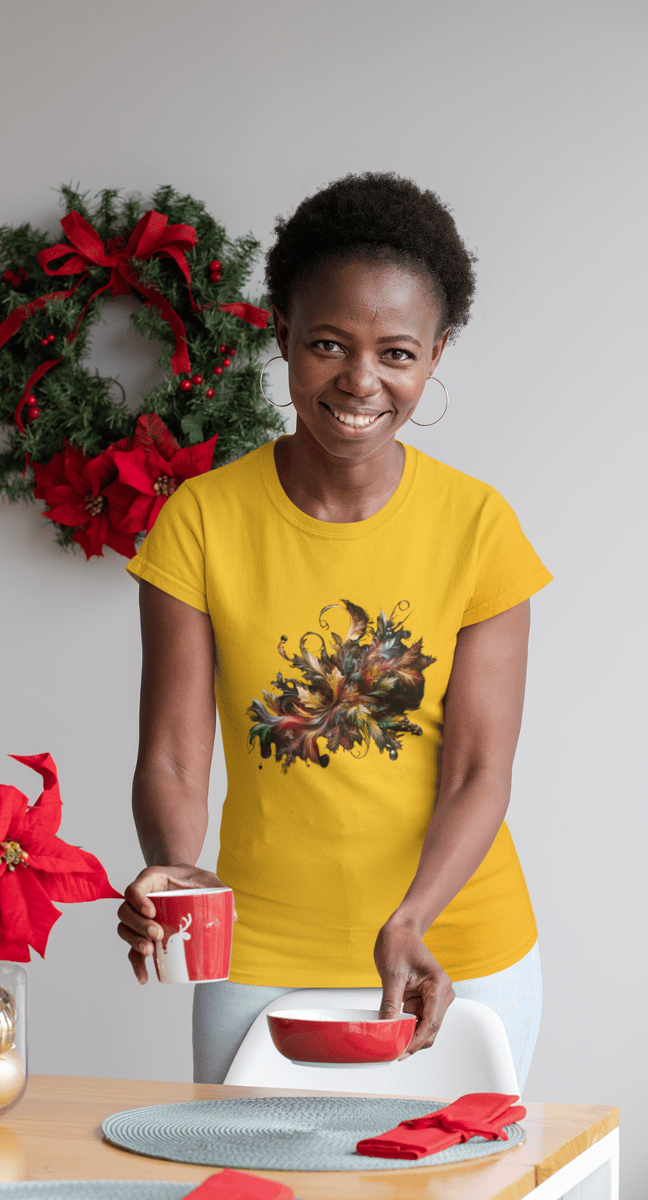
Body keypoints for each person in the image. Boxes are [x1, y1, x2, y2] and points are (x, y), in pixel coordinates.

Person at [117, 173, 551, 1091]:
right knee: (253, 1187)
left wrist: (411, 919)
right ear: (281, 335)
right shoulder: (201, 520)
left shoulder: (480, 527)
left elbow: (480, 771)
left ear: (434, 355)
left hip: (457, 949)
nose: (360, 381)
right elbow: (173, 758)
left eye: (396, 352)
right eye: (327, 344)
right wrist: (174, 868)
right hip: (264, 953)